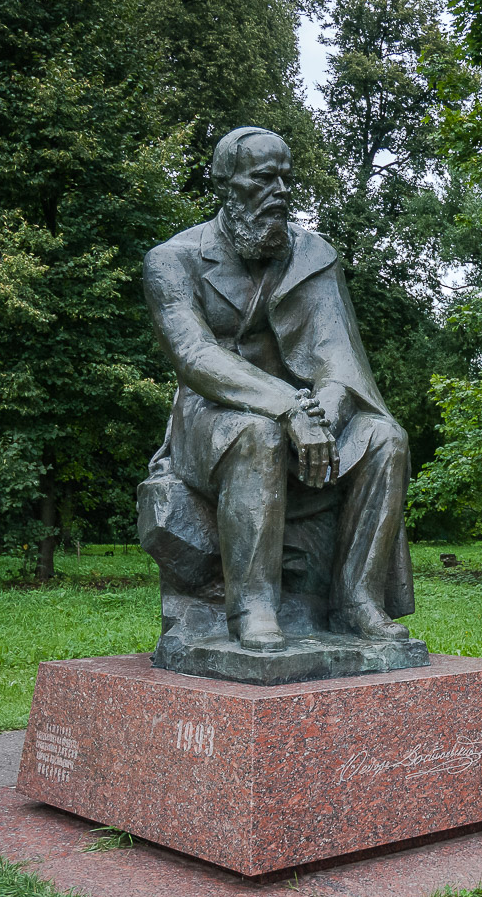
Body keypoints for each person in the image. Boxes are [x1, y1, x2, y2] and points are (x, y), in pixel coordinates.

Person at [142, 126, 413, 651]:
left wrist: (322, 416)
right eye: (264, 178)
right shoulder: (173, 259)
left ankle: (357, 600)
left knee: (386, 438)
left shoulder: (312, 255)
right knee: (255, 434)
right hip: (213, 417)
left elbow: (339, 359)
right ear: (227, 183)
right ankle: (253, 608)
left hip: (304, 413)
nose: (281, 191)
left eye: (286, 179)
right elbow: (195, 357)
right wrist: (288, 407)